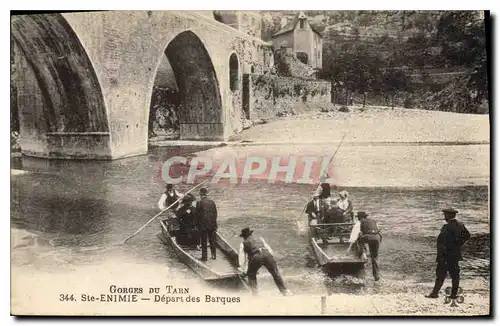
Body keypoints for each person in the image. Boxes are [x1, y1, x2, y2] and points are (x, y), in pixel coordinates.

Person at [426, 208, 471, 299]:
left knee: (440, 275)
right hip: (454, 255)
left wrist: (443, 251)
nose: (444, 216)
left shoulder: (447, 226)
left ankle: (435, 293)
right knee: (455, 275)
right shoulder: (460, 225)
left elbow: (442, 242)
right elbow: (467, 235)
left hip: (445, 255)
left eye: (445, 215)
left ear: (448, 215)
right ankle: (453, 294)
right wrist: (458, 244)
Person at [238, 227, 291, 296]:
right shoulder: (260, 239)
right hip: (267, 254)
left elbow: (242, 259)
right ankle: (285, 292)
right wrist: (271, 260)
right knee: (276, 273)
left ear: (244, 237)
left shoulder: (243, 243)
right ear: (251, 234)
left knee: (251, 275)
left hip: (255, 257)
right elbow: (269, 249)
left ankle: (255, 295)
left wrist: (243, 270)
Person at [357, 211, 382, 281]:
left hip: (368, 237)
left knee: (359, 238)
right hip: (377, 237)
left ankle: (361, 253)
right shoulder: (373, 221)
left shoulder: (362, 222)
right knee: (374, 257)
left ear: (360, 217)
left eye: (358, 218)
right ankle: (376, 275)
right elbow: (378, 230)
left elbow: (361, 233)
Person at [195, 188, 218, 261]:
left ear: (201, 194)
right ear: (206, 193)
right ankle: (213, 255)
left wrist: (197, 225)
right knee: (212, 240)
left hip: (203, 225)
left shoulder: (199, 202)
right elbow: (215, 214)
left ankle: (204, 257)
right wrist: (214, 224)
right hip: (212, 224)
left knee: (204, 241)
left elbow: (197, 216)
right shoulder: (212, 202)